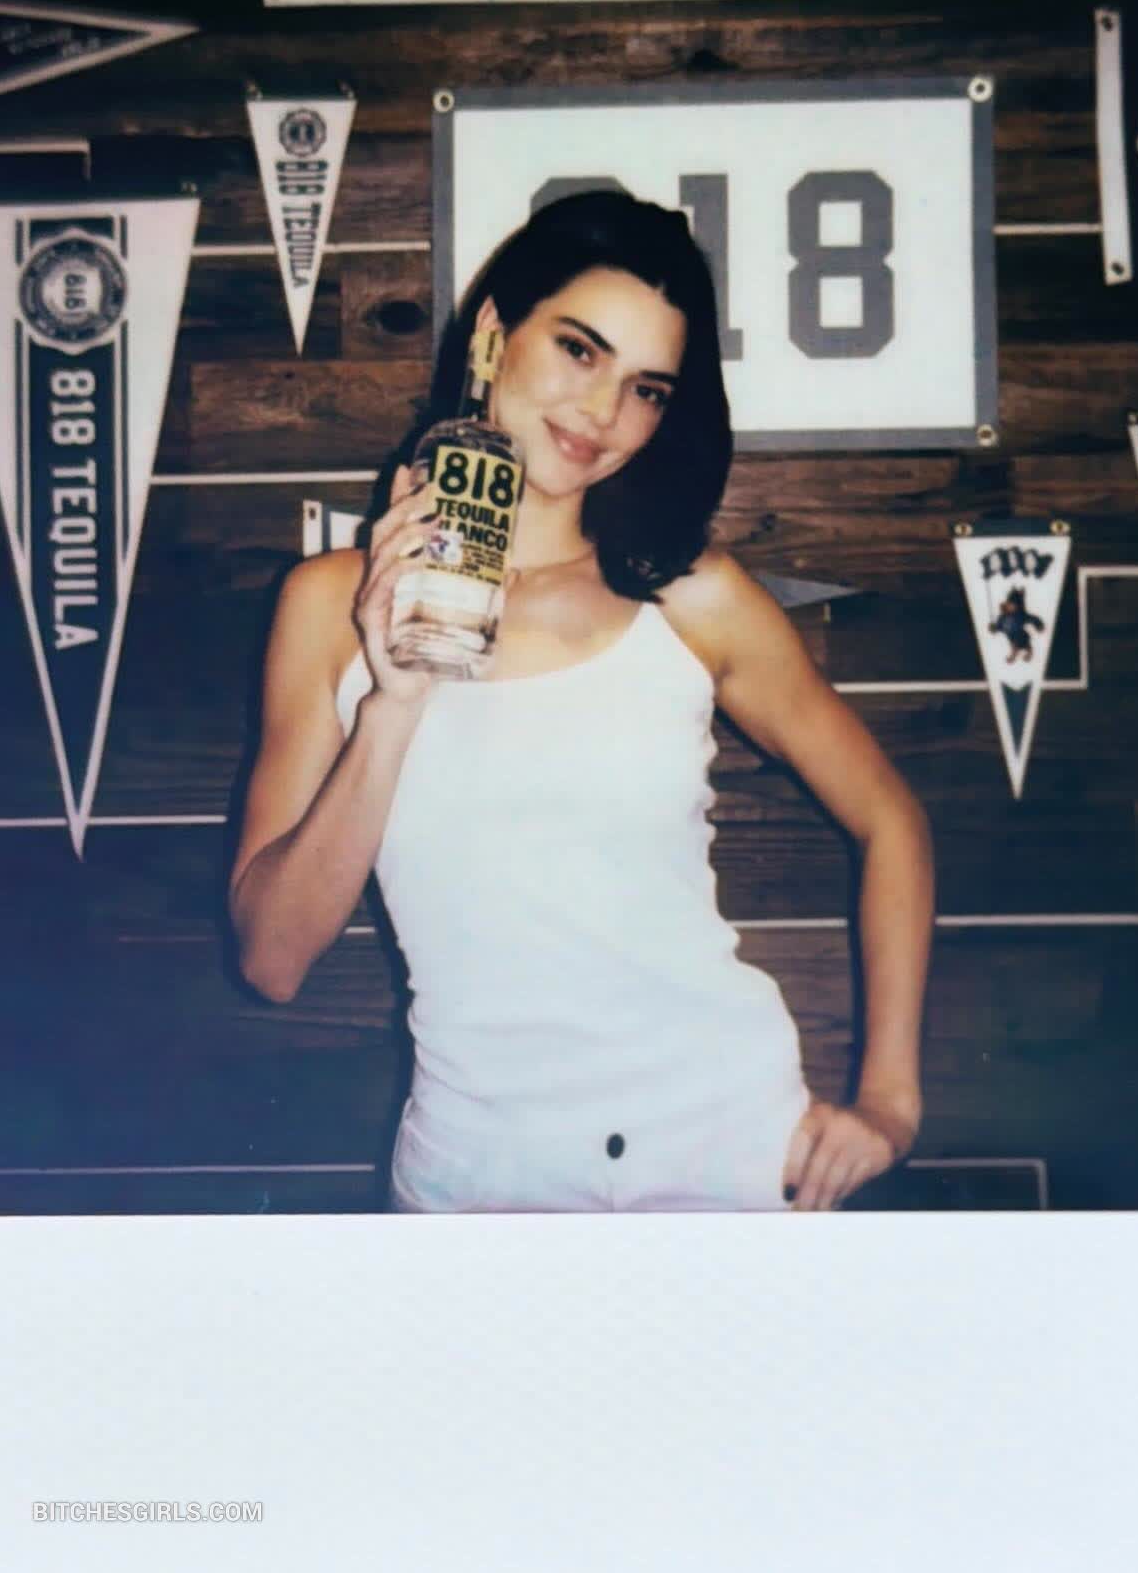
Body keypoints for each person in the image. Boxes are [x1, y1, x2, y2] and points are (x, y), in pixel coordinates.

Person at [228, 190, 933, 1214]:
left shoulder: (690, 596)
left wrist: (891, 1102)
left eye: (645, 388)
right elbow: (272, 960)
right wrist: (394, 700)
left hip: (726, 1150)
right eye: (579, 349)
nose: (602, 412)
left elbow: (891, 819)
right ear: (492, 333)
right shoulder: (328, 605)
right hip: (483, 1175)